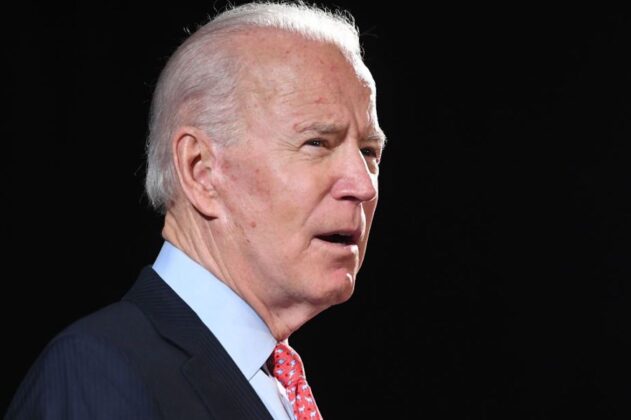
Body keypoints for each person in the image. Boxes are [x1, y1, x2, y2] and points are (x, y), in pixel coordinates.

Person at [6, 1, 385, 419]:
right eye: (317, 143)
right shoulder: (98, 370)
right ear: (200, 170)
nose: (363, 185)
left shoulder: (273, 384)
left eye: (369, 151)